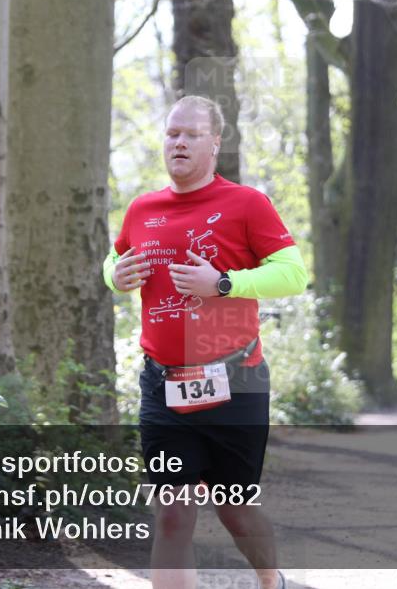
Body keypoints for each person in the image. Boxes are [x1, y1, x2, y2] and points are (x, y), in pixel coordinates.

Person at [102, 95, 308, 589]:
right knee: (172, 514)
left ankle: (269, 581)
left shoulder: (246, 204)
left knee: (235, 510)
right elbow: (116, 260)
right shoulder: (143, 208)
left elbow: (294, 274)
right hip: (163, 385)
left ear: (214, 143)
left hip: (236, 379)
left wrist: (224, 284)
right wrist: (115, 274)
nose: (178, 142)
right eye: (172, 133)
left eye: (191, 134)